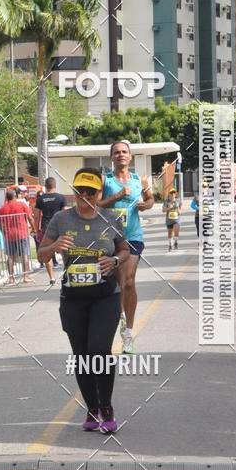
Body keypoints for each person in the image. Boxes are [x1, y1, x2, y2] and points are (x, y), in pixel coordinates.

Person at [39, 167, 129, 434]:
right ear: (74, 192)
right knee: (81, 356)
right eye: (80, 191)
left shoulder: (112, 218)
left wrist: (113, 261)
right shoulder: (60, 219)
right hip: (73, 299)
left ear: (101, 193)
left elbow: (125, 251)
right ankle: (92, 409)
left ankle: (107, 407)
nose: (85, 196)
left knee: (99, 351)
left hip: (106, 296)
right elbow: (41, 255)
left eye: (92, 192)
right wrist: (54, 248)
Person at [97, 140, 154, 353]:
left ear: (130, 157)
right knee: (119, 284)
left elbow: (150, 200)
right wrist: (118, 196)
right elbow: (97, 205)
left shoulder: (141, 180)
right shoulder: (106, 180)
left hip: (132, 236)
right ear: (111, 157)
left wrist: (145, 204)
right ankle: (120, 317)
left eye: (124, 152)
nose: (121, 155)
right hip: (110, 238)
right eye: (117, 152)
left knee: (129, 281)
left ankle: (128, 333)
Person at [0, 188, 34, 284]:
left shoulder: (2, 209)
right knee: (24, 255)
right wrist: (34, 228)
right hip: (22, 234)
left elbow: (0, 224)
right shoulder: (22, 205)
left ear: (6, 197)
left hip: (9, 235)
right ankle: (26, 276)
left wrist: (3, 233)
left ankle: (11, 278)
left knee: (10, 257)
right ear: (16, 196)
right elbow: (30, 217)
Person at [34, 176, 66, 285]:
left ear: (45, 186)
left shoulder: (40, 199)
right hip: (59, 227)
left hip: (46, 227)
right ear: (55, 186)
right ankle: (66, 272)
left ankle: (52, 278)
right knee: (63, 250)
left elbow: (37, 216)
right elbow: (65, 214)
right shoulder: (61, 198)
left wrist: (36, 230)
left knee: (47, 251)